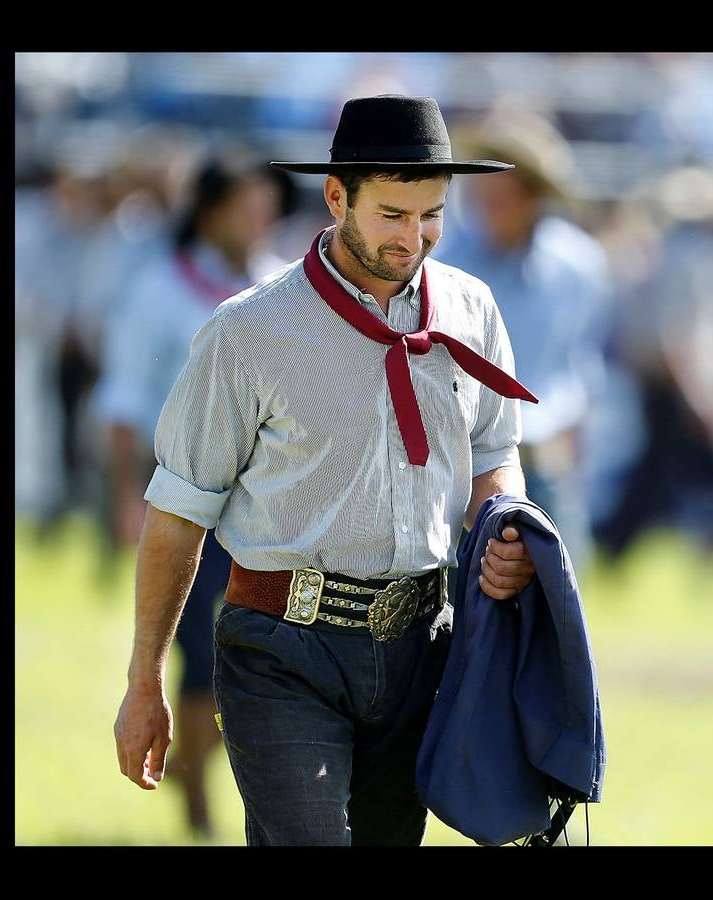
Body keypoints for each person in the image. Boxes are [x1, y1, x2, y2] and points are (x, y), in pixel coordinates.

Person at [113, 95, 541, 846]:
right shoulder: (248, 331)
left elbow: (493, 457)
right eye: (391, 215)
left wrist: (504, 527)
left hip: (422, 647)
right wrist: (144, 680)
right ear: (335, 195)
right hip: (282, 646)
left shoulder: (473, 309)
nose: (415, 238)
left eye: (431, 215)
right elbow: (179, 512)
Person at [95, 151, 291, 835]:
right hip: (184, 503)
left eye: (267, 205)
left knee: (257, 651)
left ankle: (211, 774)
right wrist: (127, 497)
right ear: (210, 212)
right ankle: (195, 780)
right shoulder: (158, 291)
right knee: (204, 653)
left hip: (264, 508)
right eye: (247, 204)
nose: (260, 218)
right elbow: (122, 401)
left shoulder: (278, 287)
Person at [437, 108, 613, 572]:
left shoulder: (578, 266)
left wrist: (575, 459)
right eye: (482, 187)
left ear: (533, 195)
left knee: (557, 613)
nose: (487, 201)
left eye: (503, 189)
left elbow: (579, 369)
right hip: (462, 463)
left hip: (545, 458)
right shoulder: (446, 263)